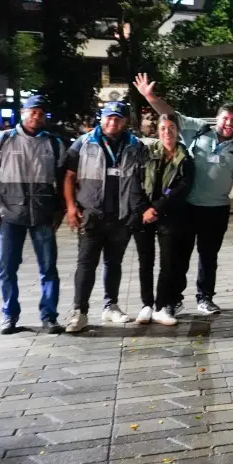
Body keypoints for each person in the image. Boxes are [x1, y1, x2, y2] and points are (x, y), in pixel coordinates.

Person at [133, 73, 233, 316]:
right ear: (218, 118)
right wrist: (149, 96)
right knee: (180, 256)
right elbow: (171, 115)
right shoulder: (199, 129)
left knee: (208, 256)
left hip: (217, 210)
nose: (229, 123)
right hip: (188, 207)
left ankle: (205, 297)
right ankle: (174, 299)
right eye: (225, 118)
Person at [0, 95, 66, 335]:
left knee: (49, 268)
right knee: (6, 267)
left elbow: (64, 179)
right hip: (8, 215)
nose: (36, 115)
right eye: (32, 111)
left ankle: (49, 316)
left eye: (40, 112)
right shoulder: (2, 139)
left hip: (42, 215)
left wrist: (61, 208)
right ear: (23, 112)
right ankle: (9, 316)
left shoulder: (54, 144)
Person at [63, 101, 147, 333]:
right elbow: (69, 177)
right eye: (109, 117)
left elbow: (142, 180)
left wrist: (135, 211)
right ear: (101, 119)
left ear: (125, 121)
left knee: (114, 263)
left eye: (118, 118)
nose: (113, 122)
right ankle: (79, 311)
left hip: (120, 217)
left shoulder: (135, 146)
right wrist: (71, 207)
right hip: (91, 215)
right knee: (86, 263)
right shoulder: (83, 143)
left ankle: (111, 305)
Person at [132, 114, 194, 326]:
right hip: (143, 214)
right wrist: (144, 209)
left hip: (168, 215)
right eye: (164, 128)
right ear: (158, 131)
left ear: (177, 132)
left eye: (172, 128)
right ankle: (146, 304)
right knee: (145, 261)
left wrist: (156, 208)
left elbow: (181, 188)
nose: (167, 132)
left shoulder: (185, 158)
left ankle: (161, 305)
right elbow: (134, 181)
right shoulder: (145, 152)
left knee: (168, 262)